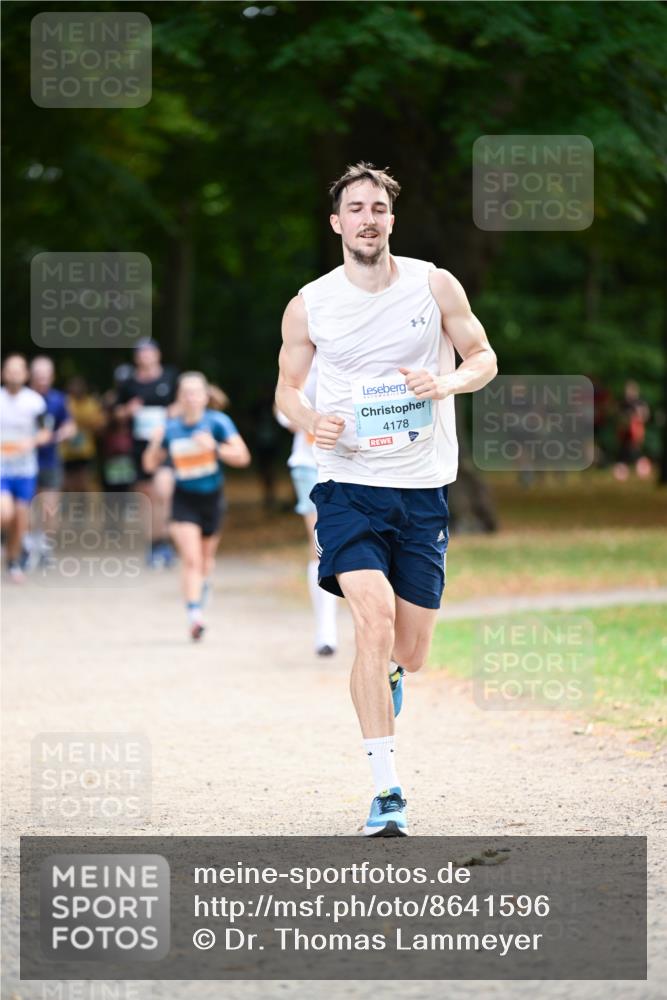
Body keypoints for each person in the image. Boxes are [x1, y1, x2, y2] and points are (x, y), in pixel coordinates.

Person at [275, 162, 497, 836]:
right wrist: (312, 423)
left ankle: (393, 672)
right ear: (336, 222)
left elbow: (482, 355)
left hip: (422, 487)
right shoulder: (309, 303)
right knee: (369, 621)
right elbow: (286, 391)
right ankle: (386, 790)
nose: (367, 218)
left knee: (413, 649)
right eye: (355, 208)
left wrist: (445, 383)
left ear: (390, 219)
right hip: (345, 485)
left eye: (378, 207)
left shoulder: (434, 285)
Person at [143, 371, 251, 640]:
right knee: (191, 559)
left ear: (205, 396)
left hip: (212, 499)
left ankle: (203, 588)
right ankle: (194, 616)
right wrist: (155, 442)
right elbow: (149, 464)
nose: (191, 397)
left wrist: (213, 447)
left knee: (205, 560)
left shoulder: (218, 423)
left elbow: (242, 457)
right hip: (184, 499)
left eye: (196, 392)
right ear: (180, 397)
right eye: (186, 393)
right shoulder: (171, 428)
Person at [276, 356, 338, 656]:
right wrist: (309, 419)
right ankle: (326, 630)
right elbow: (283, 412)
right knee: (321, 543)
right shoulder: (301, 357)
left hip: (361, 464)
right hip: (310, 463)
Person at [114, 340, 178, 567]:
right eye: (142, 353)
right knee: (146, 496)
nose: (146, 357)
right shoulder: (129, 383)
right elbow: (116, 412)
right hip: (139, 446)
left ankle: (166, 541)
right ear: (136, 358)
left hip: (166, 444)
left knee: (164, 490)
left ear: (158, 354)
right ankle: (154, 543)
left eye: (150, 352)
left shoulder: (170, 377)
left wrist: (172, 412)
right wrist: (127, 410)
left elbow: (183, 404)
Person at [0, 355, 51, 582]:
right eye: (10, 370)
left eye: (18, 370)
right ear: (3, 373)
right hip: (2, 468)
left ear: (26, 374)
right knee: (5, 513)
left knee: (20, 518)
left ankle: (13, 560)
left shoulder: (34, 402)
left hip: (25, 469)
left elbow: (45, 432)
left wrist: (30, 442)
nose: (14, 374)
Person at [25, 356, 76, 566]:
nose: (42, 381)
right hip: (23, 459)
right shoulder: (22, 399)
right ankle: (26, 544)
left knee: (49, 506)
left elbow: (70, 425)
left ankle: (45, 544)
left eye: (46, 377)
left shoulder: (58, 399)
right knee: (25, 505)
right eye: (38, 377)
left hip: (50, 459)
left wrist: (62, 433)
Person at [61, 376, 106, 492]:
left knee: (86, 483)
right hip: (66, 452)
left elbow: (100, 425)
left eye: (79, 386)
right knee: (67, 484)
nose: (76, 389)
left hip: (85, 451)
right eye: (74, 386)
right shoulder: (65, 403)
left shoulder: (91, 403)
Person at [613, 380, 652, 481]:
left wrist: (638, 416)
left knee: (635, 449)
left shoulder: (640, 403)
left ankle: (641, 466)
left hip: (636, 431)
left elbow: (645, 415)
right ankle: (623, 468)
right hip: (624, 432)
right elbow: (617, 415)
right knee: (624, 450)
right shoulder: (622, 404)